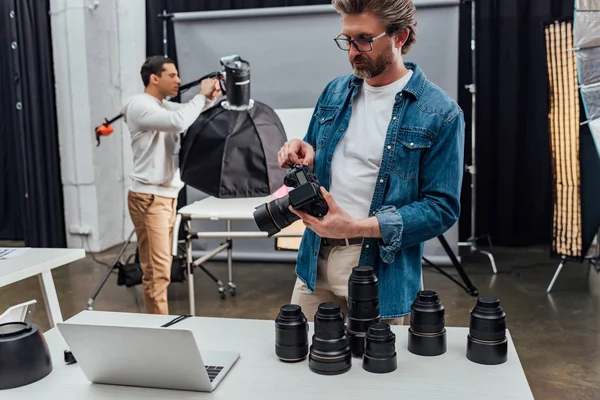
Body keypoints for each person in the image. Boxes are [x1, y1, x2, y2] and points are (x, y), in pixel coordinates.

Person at [278, 0, 464, 324]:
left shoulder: (441, 114)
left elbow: (441, 208)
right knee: (301, 361)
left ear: (400, 37)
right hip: (314, 259)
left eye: (363, 39)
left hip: (380, 266)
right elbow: (315, 158)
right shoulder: (334, 92)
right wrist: (302, 151)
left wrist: (357, 227)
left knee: (375, 370)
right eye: (346, 40)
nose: (352, 51)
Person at [122, 56, 221, 314]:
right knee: (157, 272)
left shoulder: (162, 106)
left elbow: (184, 113)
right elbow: (178, 121)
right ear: (155, 78)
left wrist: (208, 99)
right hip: (150, 198)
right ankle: (159, 331)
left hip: (165, 197)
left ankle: (158, 328)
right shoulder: (139, 105)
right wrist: (201, 96)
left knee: (162, 268)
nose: (178, 80)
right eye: (172, 75)